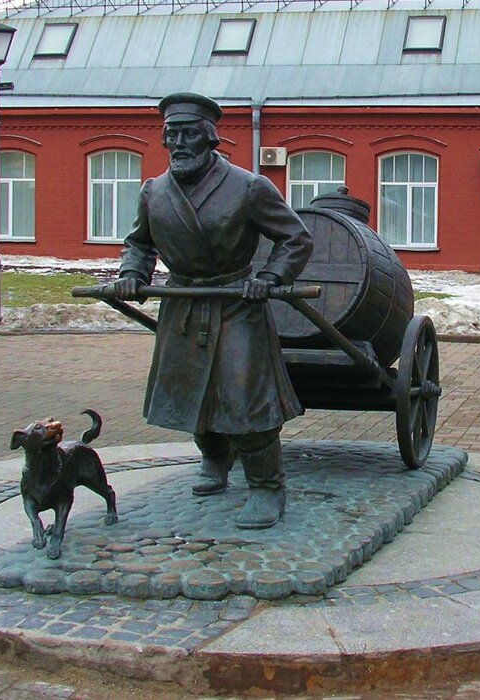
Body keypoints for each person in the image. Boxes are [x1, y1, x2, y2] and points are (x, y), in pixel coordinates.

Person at [112, 92, 313, 529]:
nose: (179, 144)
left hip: (236, 302)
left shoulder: (249, 187)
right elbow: (140, 243)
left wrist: (272, 278)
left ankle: (266, 486)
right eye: (171, 135)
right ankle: (215, 460)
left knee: (244, 398)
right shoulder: (154, 192)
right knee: (191, 393)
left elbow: (295, 238)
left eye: (188, 134)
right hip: (183, 303)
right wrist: (132, 272)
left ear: (209, 139)